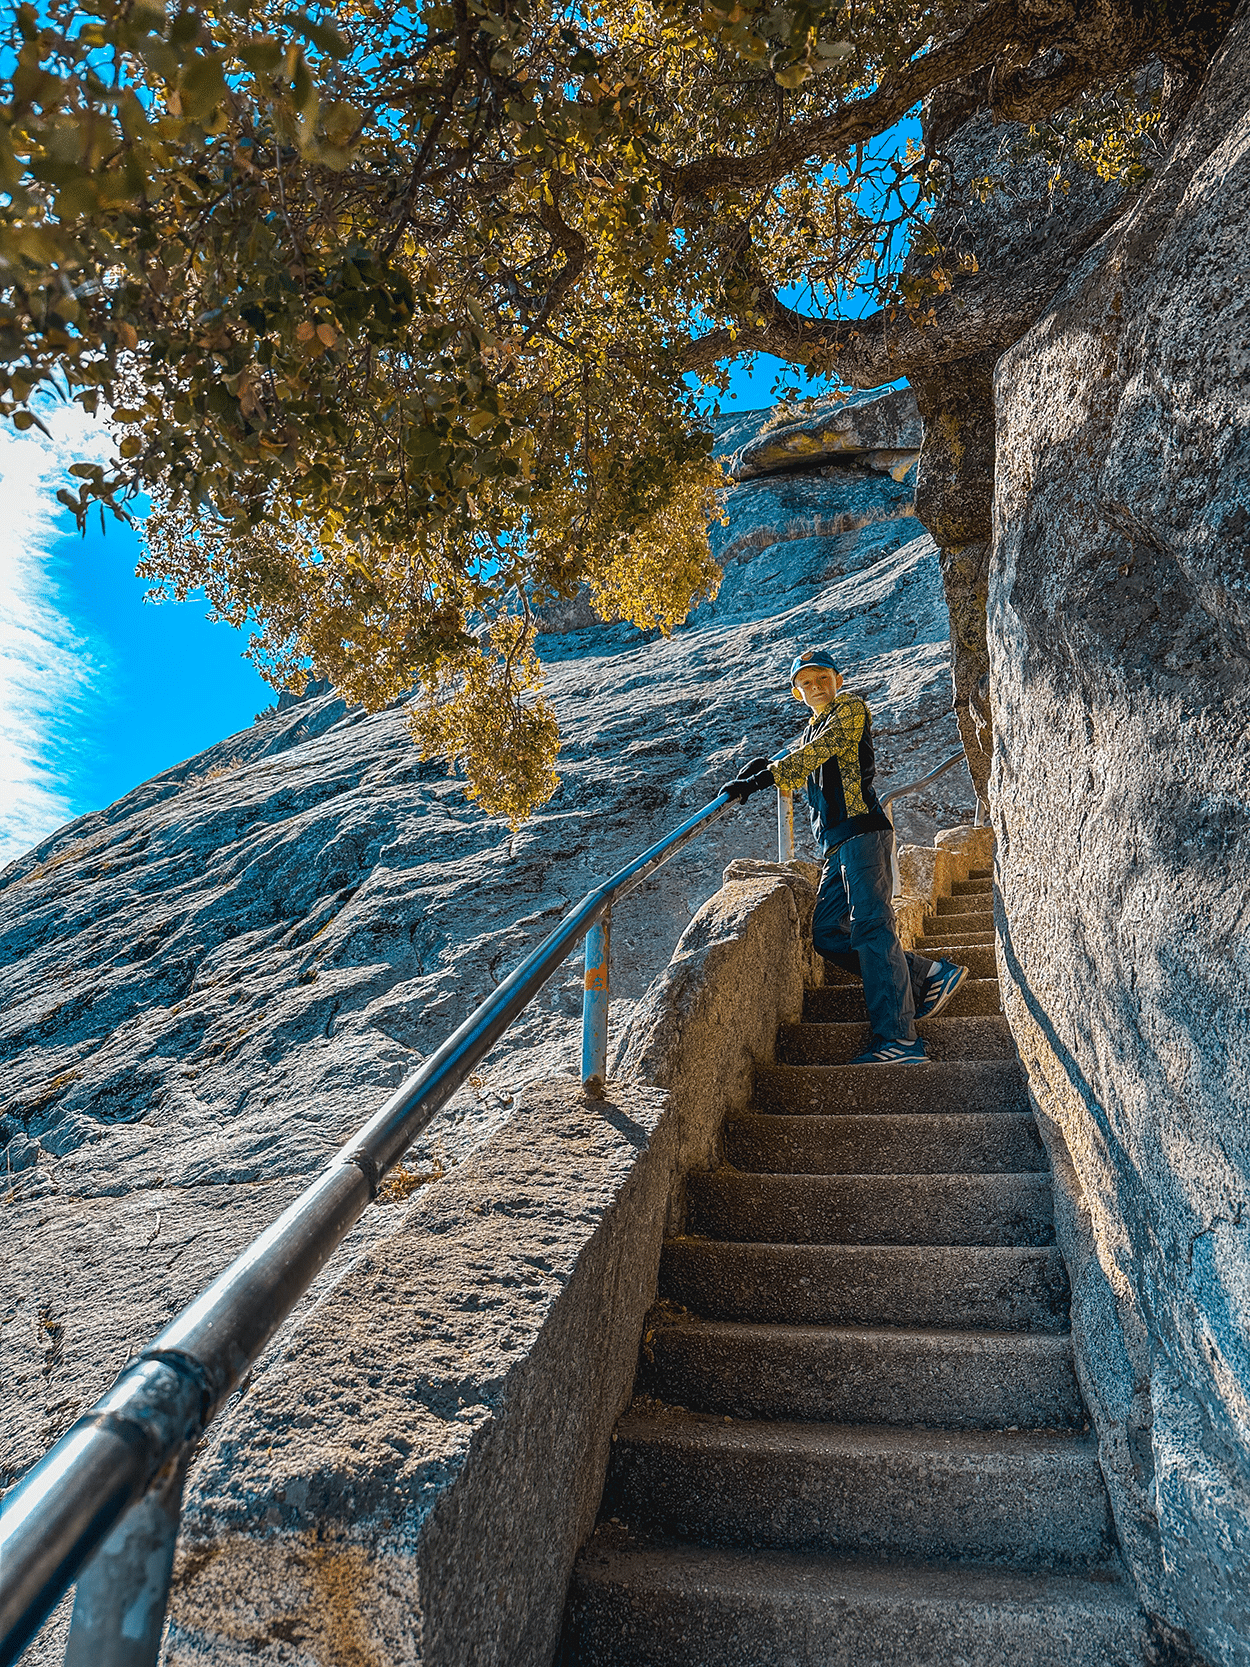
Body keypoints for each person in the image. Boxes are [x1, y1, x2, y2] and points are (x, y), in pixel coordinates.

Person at [722, 647, 968, 1065]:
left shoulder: (851, 709)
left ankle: (899, 1040)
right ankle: (925, 974)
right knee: (828, 935)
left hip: (862, 833)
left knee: (872, 927)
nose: (815, 687)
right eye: (806, 683)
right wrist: (765, 765)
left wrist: (766, 777)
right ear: (797, 692)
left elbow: (824, 750)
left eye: (822, 679)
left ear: (838, 681)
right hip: (835, 844)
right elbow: (804, 755)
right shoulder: (808, 731)